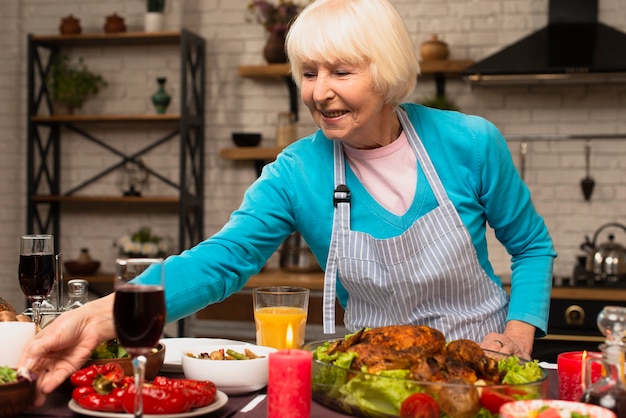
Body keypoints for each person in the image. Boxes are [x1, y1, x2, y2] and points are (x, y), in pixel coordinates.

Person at [20, 0, 556, 407]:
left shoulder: (470, 142)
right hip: (376, 382)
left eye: (341, 72)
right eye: (308, 72)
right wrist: (96, 316)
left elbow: (531, 246)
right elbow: (221, 262)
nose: (319, 92)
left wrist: (516, 335)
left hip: (484, 376)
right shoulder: (297, 171)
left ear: (387, 71)